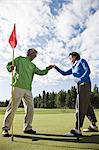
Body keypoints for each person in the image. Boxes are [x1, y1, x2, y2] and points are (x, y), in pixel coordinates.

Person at [2, 48, 53, 137]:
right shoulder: (20, 59)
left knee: (30, 108)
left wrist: (47, 69)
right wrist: (10, 68)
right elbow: (8, 65)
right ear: (29, 53)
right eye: (34, 53)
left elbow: (41, 72)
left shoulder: (33, 66)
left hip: (28, 90)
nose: (35, 56)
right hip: (18, 87)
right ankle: (5, 129)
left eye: (36, 54)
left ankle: (27, 128)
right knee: (12, 108)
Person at [54, 52, 98, 136]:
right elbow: (64, 73)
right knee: (87, 106)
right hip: (79, 86)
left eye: (70, 58)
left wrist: (81, 79)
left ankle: (77, 129)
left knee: (80, 105)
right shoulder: (73, 67)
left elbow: (88, 71)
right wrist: (56, 68)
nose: (70, 59)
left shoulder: (81, 61)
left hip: (84, 84)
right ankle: (93, 125)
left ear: (74, 57)